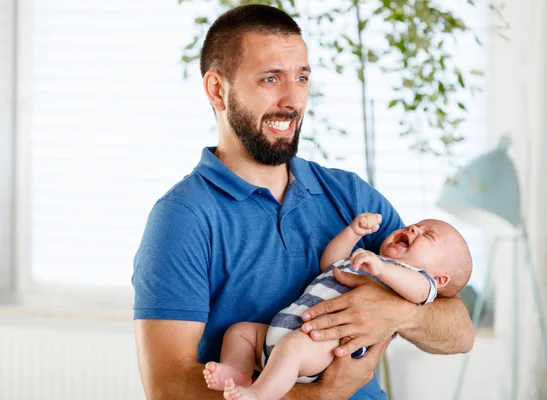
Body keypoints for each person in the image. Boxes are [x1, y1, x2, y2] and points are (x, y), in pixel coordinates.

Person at [132, 4, 474, 400]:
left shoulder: (349, 195)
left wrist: (402, 313)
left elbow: (459, 331)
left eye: (302, 77)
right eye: (271, 78)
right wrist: (321, 395)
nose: (292, 99)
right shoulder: (183, 218)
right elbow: (167, 386)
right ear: (217, 90)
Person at [201, 213, 472, 400]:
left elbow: (421, 293)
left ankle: (260, 394)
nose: (413, 228)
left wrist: (382, 269)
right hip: (286, 328)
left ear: (440, 278)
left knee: (291, 349)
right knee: (240, 332)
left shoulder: (418, 281)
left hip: (320, 346)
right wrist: (353, 232)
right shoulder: (368, 259)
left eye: (428, 235)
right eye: (416, 224)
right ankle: (238, 371)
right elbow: (329, 264)